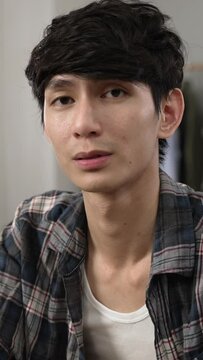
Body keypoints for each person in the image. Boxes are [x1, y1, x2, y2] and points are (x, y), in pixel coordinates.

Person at [0, 0, 202, 359]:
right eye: (63, 99)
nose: (83, 125)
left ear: (167, 113)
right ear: (46, 125)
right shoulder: (32, 234)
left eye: (114, 92)